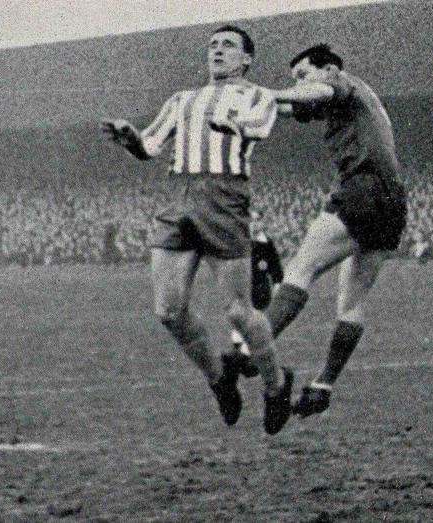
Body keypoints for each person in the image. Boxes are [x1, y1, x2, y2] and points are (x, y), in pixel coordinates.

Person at [100, 25, 293, 434]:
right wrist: (130, 138)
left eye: (228, 45)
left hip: (224, 196)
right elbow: (150, 146)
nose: (217, 51)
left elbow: (259, 125)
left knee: (239, 311)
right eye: (213, 45)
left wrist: (232, 124)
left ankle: (277, 386)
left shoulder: (257, 95)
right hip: (179, 194)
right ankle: (220, 379)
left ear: (246, 59)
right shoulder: (182, 100)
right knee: (168, 310)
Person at [233, 44, 407, 417]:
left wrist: (264, 92)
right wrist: (248, 111)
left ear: (328, 69)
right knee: (352, 301)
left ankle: (250, 352)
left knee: (301, 269)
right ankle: (323, 386)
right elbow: (288, 108)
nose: (298, 83)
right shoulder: (355, 101)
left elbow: (315, 91)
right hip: (393, 200)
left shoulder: (341, 83)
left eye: (302, 74)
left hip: (363, 188)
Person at [228, 210, 283, 372]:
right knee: (241, 321)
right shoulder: (241, 242)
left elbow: (276, 269)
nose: (254, 224)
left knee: (255, 321)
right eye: (251, 221)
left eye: (257, 221)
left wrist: (277, 285)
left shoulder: (266, 243)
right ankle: (241, 354)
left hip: (260, 290)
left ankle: (245, 356)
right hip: (242, 288)